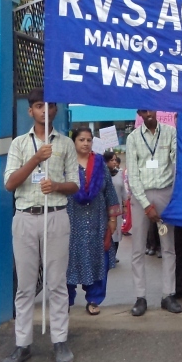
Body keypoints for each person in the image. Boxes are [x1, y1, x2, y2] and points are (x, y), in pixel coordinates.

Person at [1, 89, 79, 362]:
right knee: (25, 285)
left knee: (57, 283)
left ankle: (60, 341)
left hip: (56, 216)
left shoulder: (67, 144)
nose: (45, 110)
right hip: (25, 218)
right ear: (30, 111)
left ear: (56, 110)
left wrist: (56, 186)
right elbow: (10, 183)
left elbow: (75, 185)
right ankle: (22, 344)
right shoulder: (20, 144)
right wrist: (36, 159)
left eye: (50, 106)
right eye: (38, 106)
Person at [126, 109, 181, 315]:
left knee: (168, 247)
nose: (147, 113)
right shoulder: (133, 138)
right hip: (141, 197)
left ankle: (168, 295)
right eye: (143, 111)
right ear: (139, 113)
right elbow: (132, 173)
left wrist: (173, 196)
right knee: (138, 250)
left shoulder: (170, 133)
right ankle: (140, 298)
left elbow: (177, 161)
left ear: (156, 110)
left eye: (150, 109)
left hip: (165, 195)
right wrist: (145, 204)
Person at [66, 129, 122, 315]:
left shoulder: (99, 164)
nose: (86, 143)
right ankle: (66, 299)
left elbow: (110, 193)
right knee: (69, 260)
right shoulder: (66, 163)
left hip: (97, 221)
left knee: (99, 259)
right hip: (72, 220)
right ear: (73, 142)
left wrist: (112, 218)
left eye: (89, 140)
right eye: (81, 139)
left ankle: (94, 299)